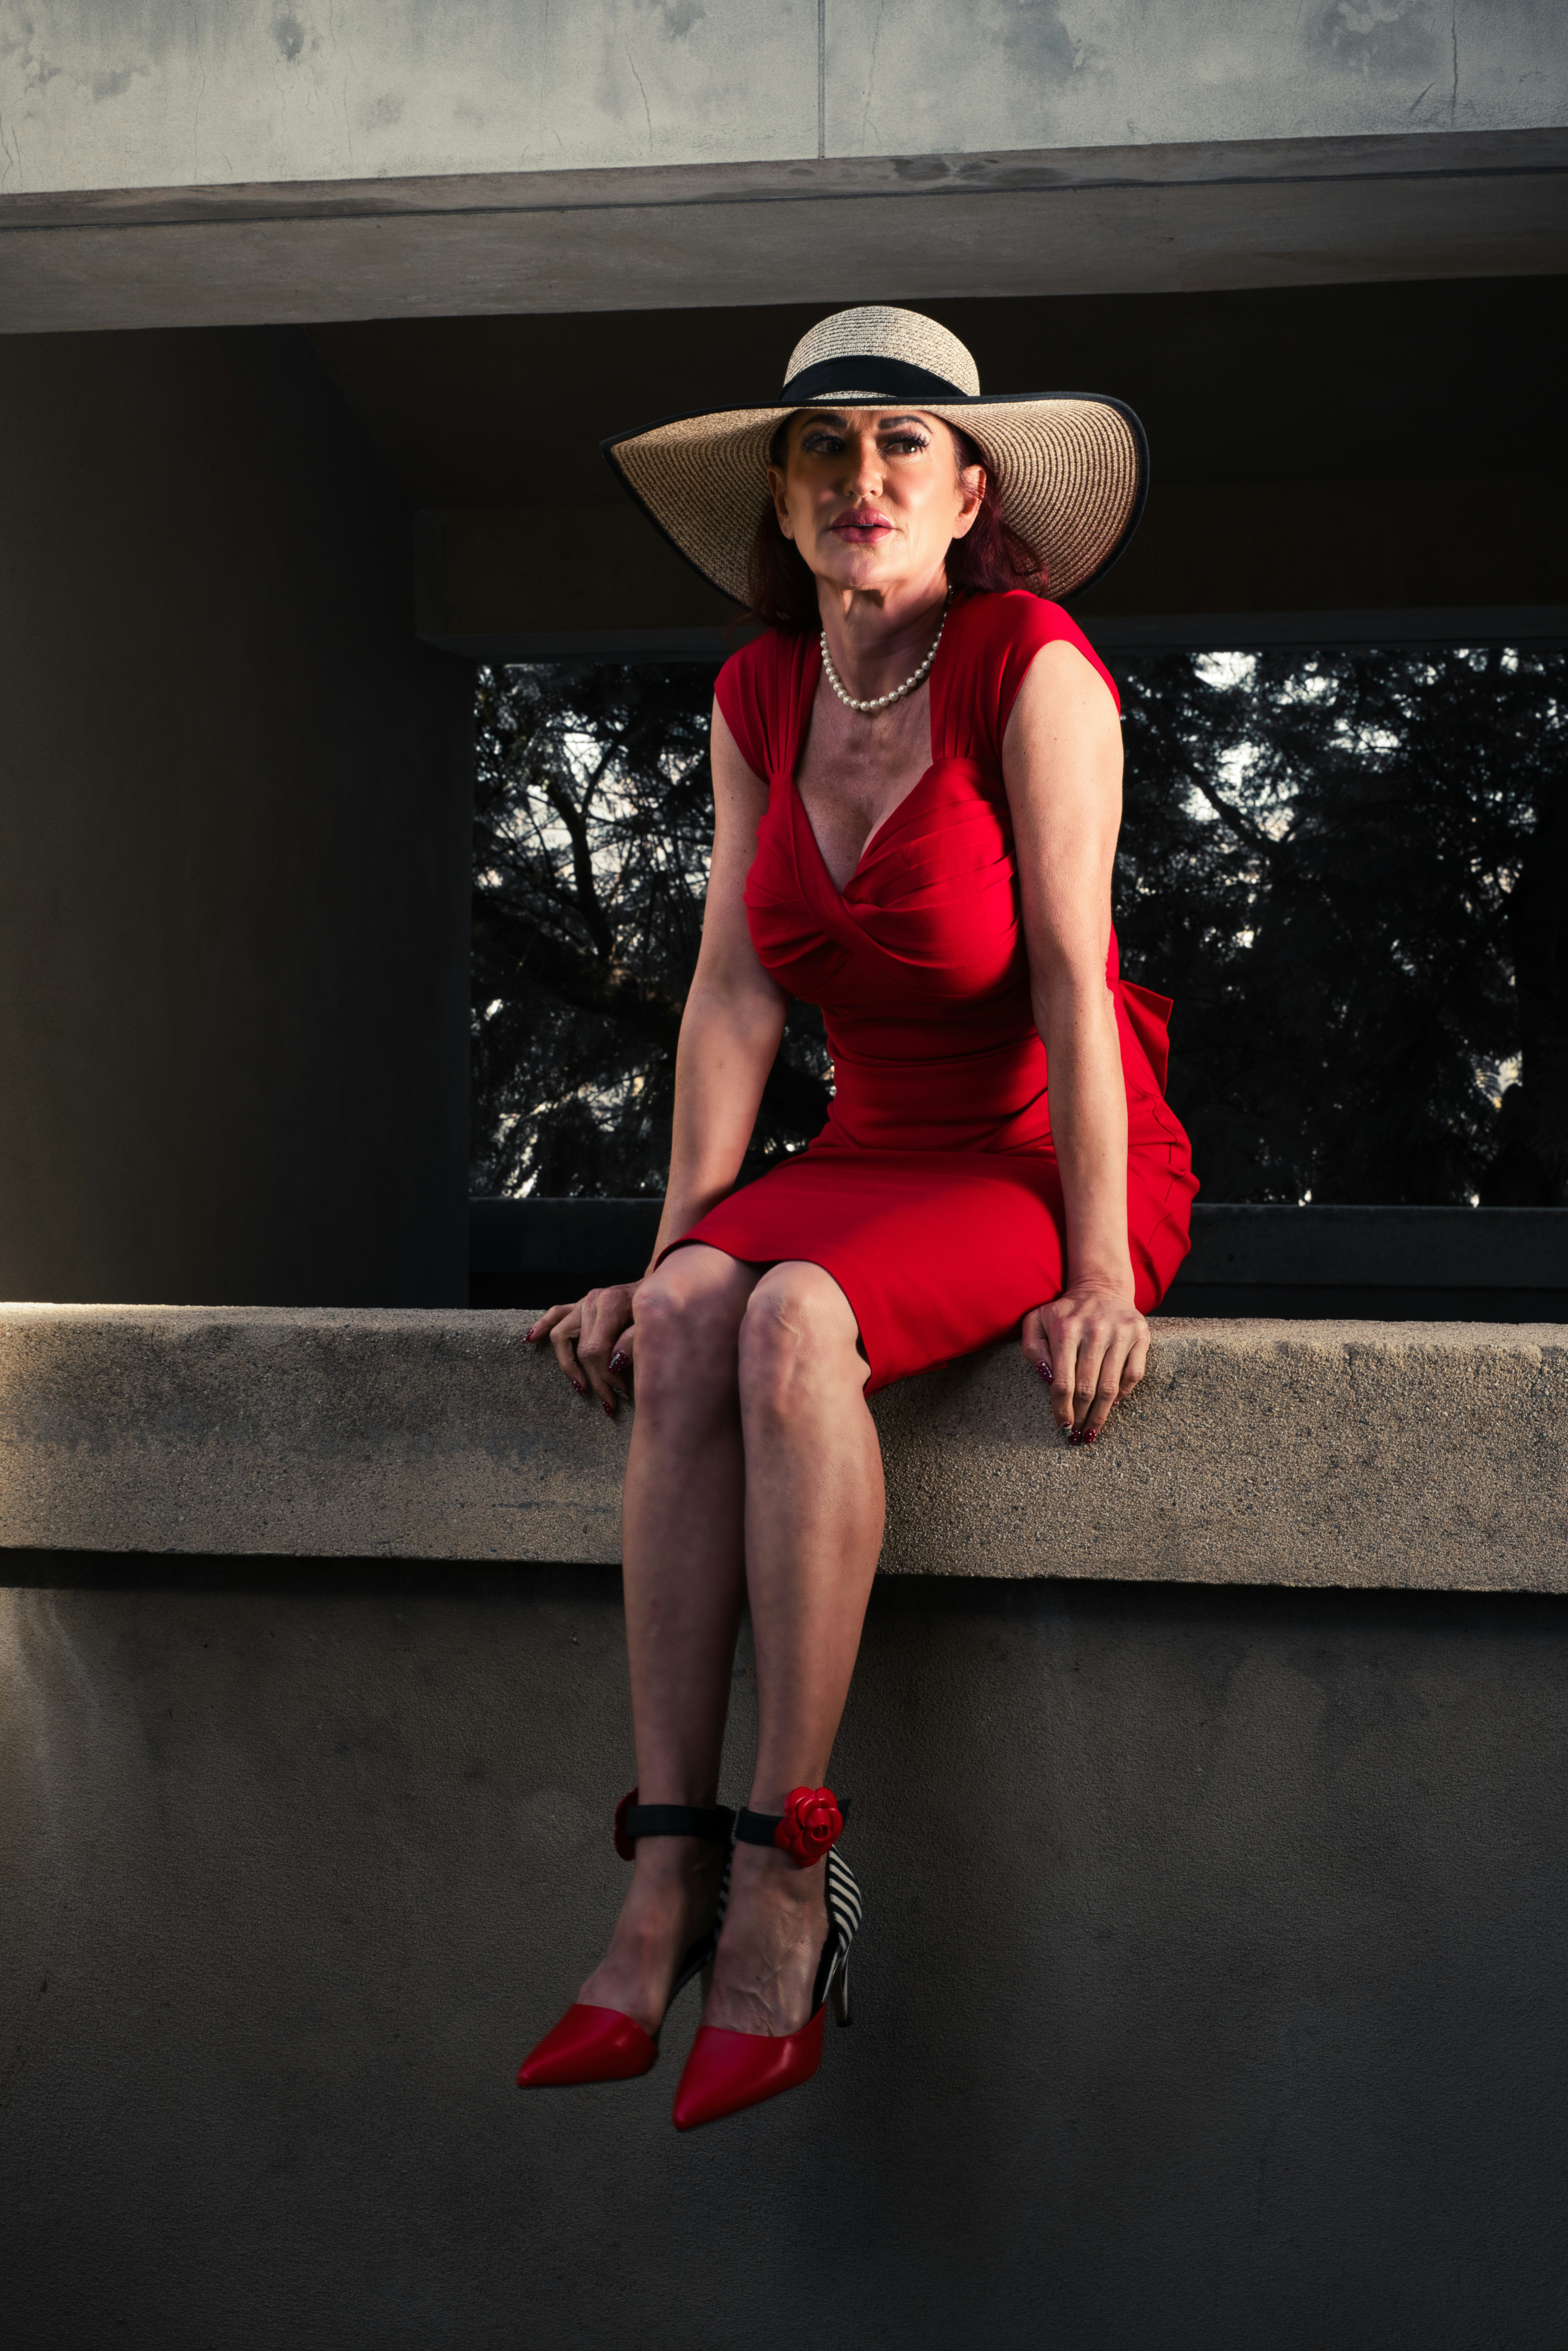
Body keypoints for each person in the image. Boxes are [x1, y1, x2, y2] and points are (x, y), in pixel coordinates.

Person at [517, 306, 1197, 2130]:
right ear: (785, 495)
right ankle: (655, 1864)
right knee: (686, 1319)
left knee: (794, 1317)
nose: (862, 477)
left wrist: (1099, 1268)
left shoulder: (1027, 663)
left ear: (970, 494)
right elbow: (735, 997)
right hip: (871, 1144)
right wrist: (672, 1244)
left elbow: (1072, 970)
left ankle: (781, 1871)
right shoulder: (760, 692)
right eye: (825, 448)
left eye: (905, 445)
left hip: (1046, 1150)